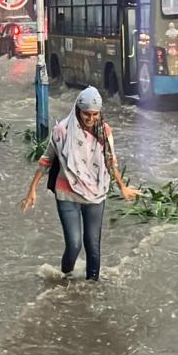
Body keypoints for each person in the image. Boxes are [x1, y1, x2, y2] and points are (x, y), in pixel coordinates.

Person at [20, 87, 142, 281]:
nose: (90, 119)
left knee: (93, 246)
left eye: (95, 114)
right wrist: (32, 190)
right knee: (74, 244)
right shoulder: (62, 131)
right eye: (87, 114)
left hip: (96, 194)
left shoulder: (105, 131)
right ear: (78, 110)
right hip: (66, 194)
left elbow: (111, 161)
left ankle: (91, 291)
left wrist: (122, 187)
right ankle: (65, 280)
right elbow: (46, 161)